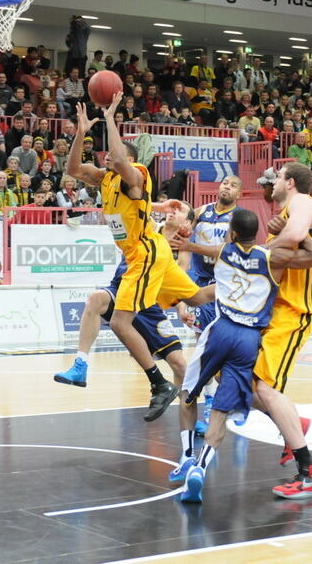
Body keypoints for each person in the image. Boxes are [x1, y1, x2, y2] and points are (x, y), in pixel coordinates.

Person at [58, 92, 214, 422]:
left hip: (145, 255)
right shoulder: (105, 180)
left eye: (113, 155)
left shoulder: (136, 176)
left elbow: (120, 158)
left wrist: (112, 118)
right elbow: (72, 168)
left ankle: (158, 385)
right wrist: (82, 132)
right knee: (199, 296)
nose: (106, 158)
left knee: (119, 322)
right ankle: (243, 282)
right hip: (141, 256)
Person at [177, 209, 312, 503]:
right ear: (257, 233)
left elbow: (194, 251)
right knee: (222, 408)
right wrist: (301, 235)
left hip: (220, 331)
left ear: (231, 233)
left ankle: (186, 457)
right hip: (248, 340)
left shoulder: (221, 251)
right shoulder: (272, 259)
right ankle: (200, 466)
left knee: (187, 392)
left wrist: (185, 242)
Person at [256, 163, 312, 499]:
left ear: (290, 182)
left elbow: (297, 235)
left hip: (293, 311)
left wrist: (254, 253)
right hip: (275, 310)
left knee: (265, 389)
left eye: (277, 176)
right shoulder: (283, 212)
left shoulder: (302, 202)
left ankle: (310, 472)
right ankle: (293, 424)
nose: (272, 181)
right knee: (235, 381)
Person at [171, 175, 243, 435]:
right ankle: (213, 400)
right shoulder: (202, 211)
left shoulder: (238, 218)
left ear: (239, 194)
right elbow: (185, 221)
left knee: (223, 349)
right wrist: (183, 223)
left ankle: (238, 399)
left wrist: (191, 244)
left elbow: (226, 250)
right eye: (224, 183)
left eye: (233, 185)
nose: (227, 187)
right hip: (202, 283)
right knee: (204, 346)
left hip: (225, 283)